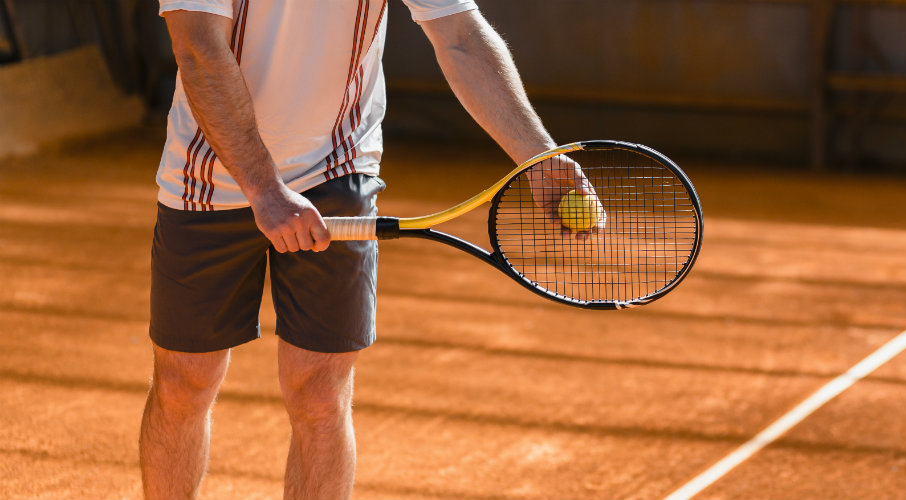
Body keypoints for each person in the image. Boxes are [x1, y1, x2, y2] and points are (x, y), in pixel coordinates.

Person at [139, 1, 592, 499]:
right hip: (207, 174)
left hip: (337, 167)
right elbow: (198, 46)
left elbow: (460, 34)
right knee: (184, 382)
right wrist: (265, 190)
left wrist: (540, 157)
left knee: (319, 393)